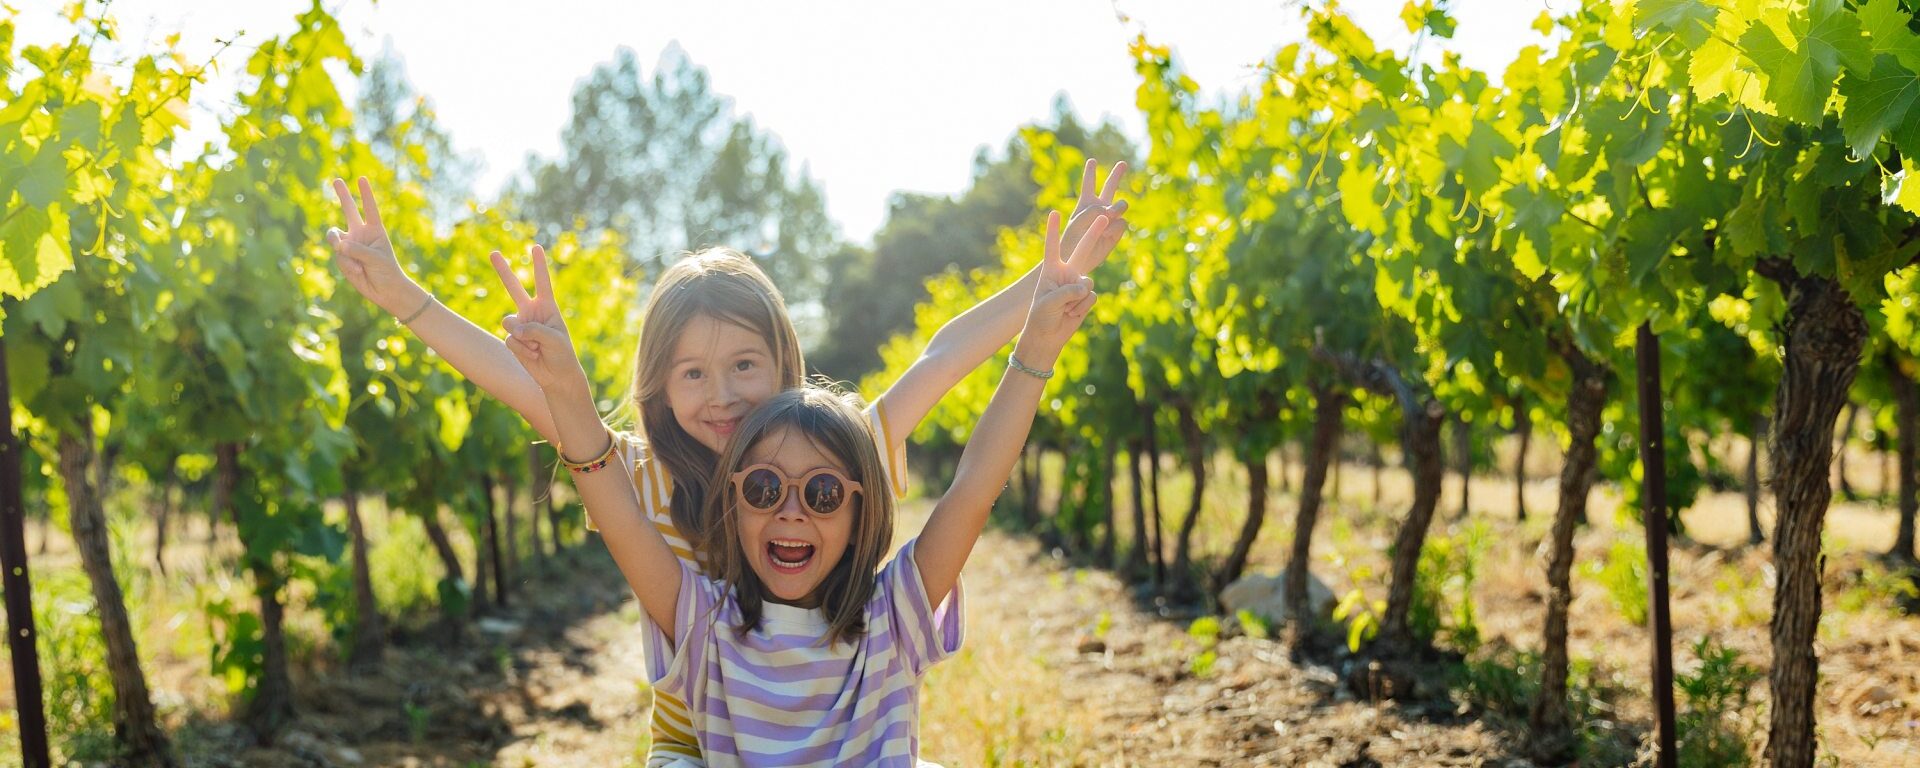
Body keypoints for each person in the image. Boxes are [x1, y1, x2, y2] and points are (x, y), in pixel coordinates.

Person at [323, 160, 1127, 764]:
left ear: (785, 361)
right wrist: (404, 298)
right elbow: (531, 390)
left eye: (745, 365)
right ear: (660, 387)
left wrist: (1045, 288)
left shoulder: (841, 453)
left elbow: (944, 360)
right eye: (692, 373)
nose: (721, 395)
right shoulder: (638, 475)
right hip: (699, 745)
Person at [515, 209, 1107, 764]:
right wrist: (564, 389)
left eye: (822, 493)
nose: (791, 513)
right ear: (731, 505)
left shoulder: (894, 616)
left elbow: (975, 484)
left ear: (862, 506)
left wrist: (1036, 348)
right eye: (764, 490)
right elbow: (604, 485)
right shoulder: (700, 624)